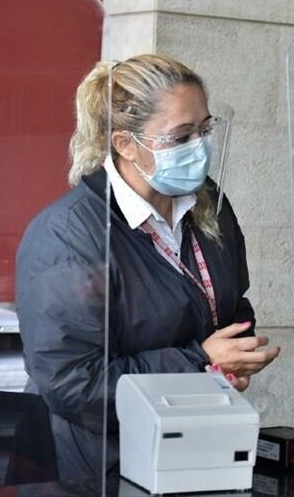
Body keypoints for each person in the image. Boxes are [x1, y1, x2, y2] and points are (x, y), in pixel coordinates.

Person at [15, 54, 280, 481]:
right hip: (96, 470)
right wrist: (200, 364)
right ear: (125, 144)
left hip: (192, 447)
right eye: (181, 137)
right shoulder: (68, 237)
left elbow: (231, 304)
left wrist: (235, 357)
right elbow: (73, 384)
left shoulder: (208, 204)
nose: (200, 146)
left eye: (206, 129)